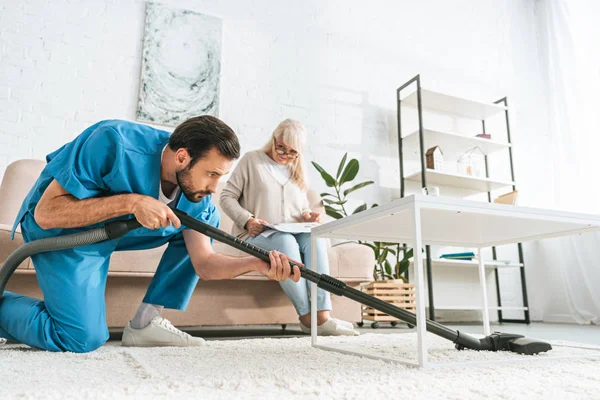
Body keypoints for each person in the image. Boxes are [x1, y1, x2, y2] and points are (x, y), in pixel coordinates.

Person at [0, 116, 300, 353]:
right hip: (64, 229)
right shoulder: (113, 142)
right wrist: (132, 202)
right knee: (81, 338)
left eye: (220, 177)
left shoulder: (197, 199)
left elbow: (204, 264)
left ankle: (145, 322)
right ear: (182, 157)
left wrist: (256, 264)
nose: (214, 187)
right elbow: (47, 213)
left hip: (115, 231)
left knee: (192, 224)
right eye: (212, 174)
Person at [220, 119, 359, 336]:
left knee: (317, 238)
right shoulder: (252, 161)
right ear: (273, 139)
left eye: (292, 152)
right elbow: (227, 196)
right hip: (256, 234)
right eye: (281, 147)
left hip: (292, 232)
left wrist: (308, 215)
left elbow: (301, 207)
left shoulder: (296, 170)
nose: (284, 155)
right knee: (285, 241)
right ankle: (306, 316)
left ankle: (322, 315)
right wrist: (247, 220)